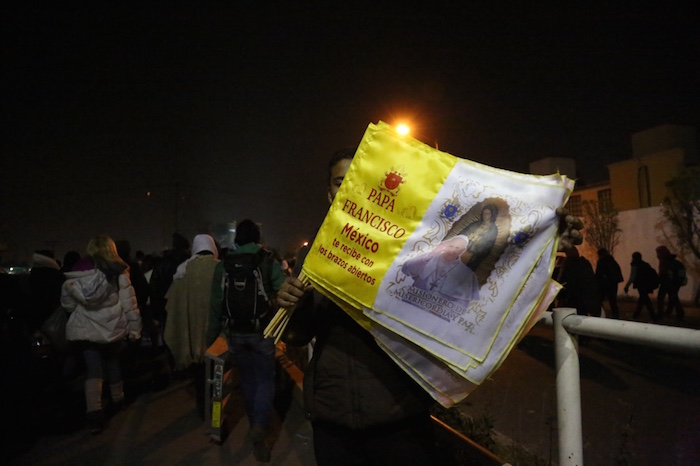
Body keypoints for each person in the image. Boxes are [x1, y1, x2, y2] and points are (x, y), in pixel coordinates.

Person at [277, 148, 585, 465]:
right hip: (334, 416)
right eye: (339, 182)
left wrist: (542, 238)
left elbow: (473, 253)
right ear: (328, 194)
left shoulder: (405, 242)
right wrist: (292, 306)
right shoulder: (314, 254)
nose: (347, 188)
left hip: (399, 413)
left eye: (355, 180)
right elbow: (299, 335)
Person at [206, 220, 284, 462]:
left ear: (237, 238)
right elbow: (282, 291)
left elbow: (216, 304)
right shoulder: (266, 259)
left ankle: (255, 423)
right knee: (265, 380)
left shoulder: (225, 264)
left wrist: (211, 337)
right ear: (258, 237)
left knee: (248, 379)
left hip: (234, 335)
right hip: (262, 332)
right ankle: (259, 427)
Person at [61, 235, 142, 433]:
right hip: (112, 326)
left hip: (86, 329)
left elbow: (68, 305)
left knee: (93, 369)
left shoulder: (76, 272)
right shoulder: (118, 270)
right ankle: (118, 401)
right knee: (113, 363)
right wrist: (135, 330)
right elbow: (128, 303)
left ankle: (94, 413)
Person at [164, 234, 220, 418]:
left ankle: (203, 409)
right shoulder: (220, 268)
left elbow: (172, 305)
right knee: (217, 375)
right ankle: (215, 414)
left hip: (193, 338)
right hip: (217, 337)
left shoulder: (183, 271)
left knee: (199, 375)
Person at [402, 235, 480, 305]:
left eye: (457, 248)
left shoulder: (467, 275)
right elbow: (406, 269)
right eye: (451, 246)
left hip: (434, 315)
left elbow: (462, 303)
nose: (452, 250)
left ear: (462, 250)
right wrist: (432, 253)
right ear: (446, 246)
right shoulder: (427, 258)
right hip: (410, 302)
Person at [557, 247, 601, 317]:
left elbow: (565, 281)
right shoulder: (584, 263)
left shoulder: (569, 265)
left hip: (575, 297)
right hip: (583, 296)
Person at [459, 204, 499, 270]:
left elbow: (487, 247)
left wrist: (478, 241)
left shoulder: (493, 230)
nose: (485, 215)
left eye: (488, 213)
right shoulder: (476, 224)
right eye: (484, 213)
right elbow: (462, 234)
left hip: (473, 256)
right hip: (462, 250)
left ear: (493, 215)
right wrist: (467, 236)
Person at [623, 252, 657, 321]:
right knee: (643, 300)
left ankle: (640, 315)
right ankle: (641, 315)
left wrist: (627, 286)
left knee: (644, 300)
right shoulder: (645, 264)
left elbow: (632, 277)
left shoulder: (635, 265)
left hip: (641, 285)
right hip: (646, 284)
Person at [655, 245, 685, 321]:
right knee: (673, 297)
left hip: (666, 282)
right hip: (676, 283)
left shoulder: (664, 262)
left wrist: (657, 280)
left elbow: (662, 273)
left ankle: (660, 314)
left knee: (661, 298)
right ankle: (676, 313)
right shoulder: (676, 263)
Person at [595, 248, 624, 319]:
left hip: (604, 285)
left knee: (598, 300)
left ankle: (599, 314)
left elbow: (598, 273)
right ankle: (615, 316)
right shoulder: (612, 261)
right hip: (612, 284)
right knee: (613, 302)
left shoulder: (601, 261)